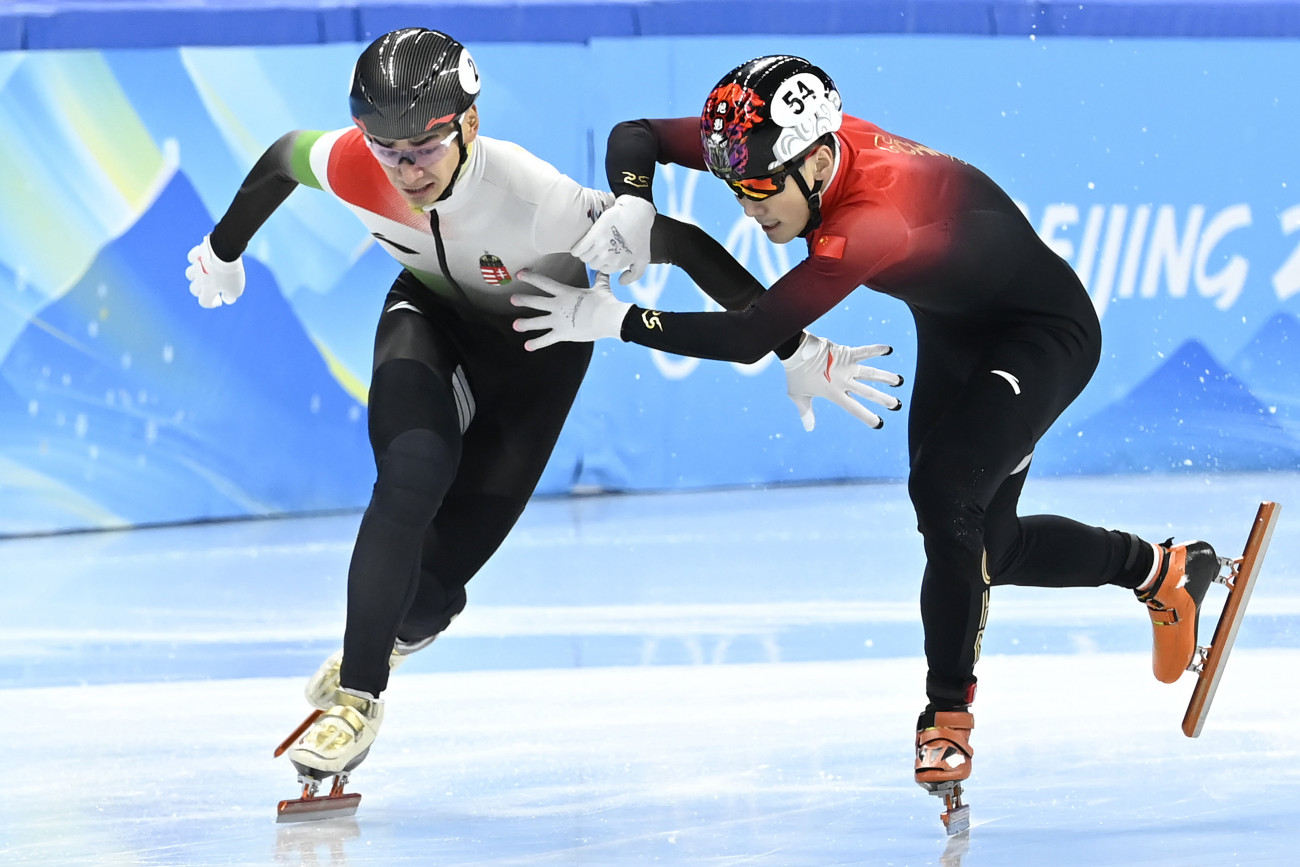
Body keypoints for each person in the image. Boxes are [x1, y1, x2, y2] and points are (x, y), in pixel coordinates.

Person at [184, 33, 902, 789]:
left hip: (539, 351)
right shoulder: (358, 164)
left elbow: (685, 244)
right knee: (411, 471)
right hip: (426, 319)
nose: (405, 170)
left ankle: (393, 636)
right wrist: (224, 248)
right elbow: (282, 158)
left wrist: (793, 350)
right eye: (386, 148)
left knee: (427, 602)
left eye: (423, 148)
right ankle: (359, 698)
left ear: (467, 124)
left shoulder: (536, 198)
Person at [511, 54, 1224, 803]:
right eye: (734, 187)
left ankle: (947, 713)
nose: (748, 208)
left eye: (759, 188)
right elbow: (638, 134)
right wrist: (633, 198)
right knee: (983, 543)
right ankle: (1162, 571)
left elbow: (755, 332)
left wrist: (617, 320)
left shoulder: (871, 219)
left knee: (947, 495)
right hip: (956, 328)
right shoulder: (773, 141)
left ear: (818, 163)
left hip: (1042, 335)